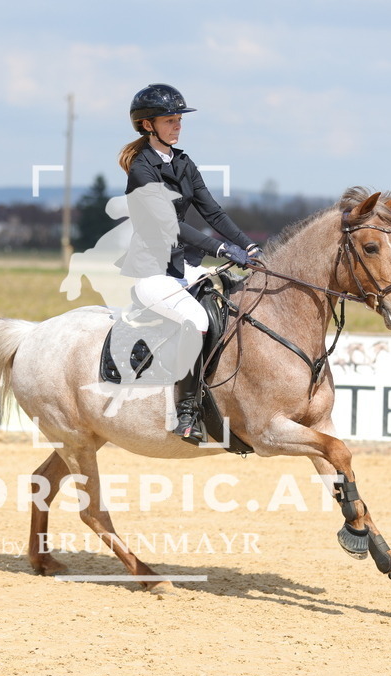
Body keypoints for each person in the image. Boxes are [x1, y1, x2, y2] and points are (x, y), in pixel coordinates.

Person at [117, 83, 261, 444]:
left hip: (184, 269)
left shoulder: (182, 162)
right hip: (153, 272)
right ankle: (186, 412)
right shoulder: (141, 170)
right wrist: (222, 250)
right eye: (170, 120)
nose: (177, 125)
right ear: (148, 125)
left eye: (179, 119)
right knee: (196, 320)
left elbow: (212, 210)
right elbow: (169, 224)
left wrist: (249, 246)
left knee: (234, 302)